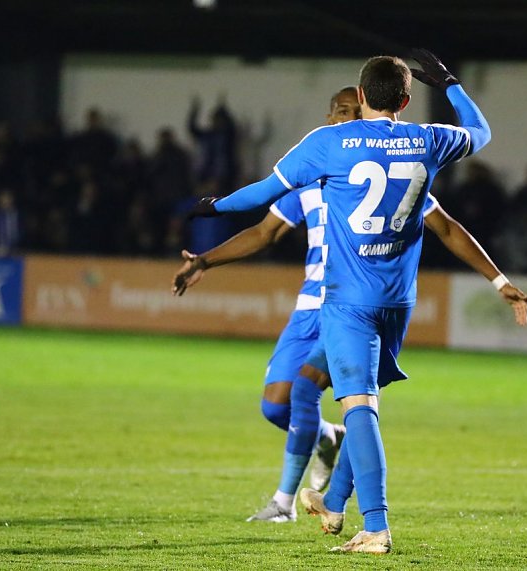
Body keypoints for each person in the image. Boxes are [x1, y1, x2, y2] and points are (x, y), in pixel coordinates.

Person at [184, 50, 527, 554]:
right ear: (407, 98)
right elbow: (480, 132)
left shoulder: (329, 143)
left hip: (349, 301)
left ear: (361, 93)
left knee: (357, 406)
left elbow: (260, 193)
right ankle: (335, 504)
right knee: (364, 409)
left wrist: (211, 206)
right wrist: (451, 85)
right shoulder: (427, 140)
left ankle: (375, 527)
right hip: (398, 301)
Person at [173, 86, 362, 523]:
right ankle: (327, 440)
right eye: (340, 111)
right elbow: (263, 233)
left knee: (306, 395)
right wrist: (204, 260)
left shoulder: (383, 174)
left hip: (350, 309)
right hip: (307, 308)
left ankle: (284, 504)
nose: (347, 119)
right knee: (275, 406)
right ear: (329, 116)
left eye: (356, 112)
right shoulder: (310, 180)